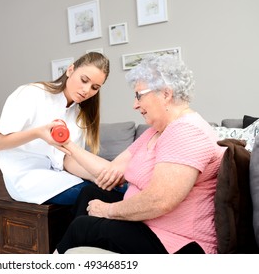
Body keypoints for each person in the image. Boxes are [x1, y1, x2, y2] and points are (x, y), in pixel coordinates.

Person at [54, 54, 226, 254]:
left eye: (139, 95)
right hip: (151, 225)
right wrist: (67, 145)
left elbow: (160, 201)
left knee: (81, 227)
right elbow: (112, 171)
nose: (135, 105)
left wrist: (107, 211)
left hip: (177, 241)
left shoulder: (186, 131)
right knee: (90, 193)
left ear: (166, 94)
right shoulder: (156, 130)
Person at [0, 52, 110, 205]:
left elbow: (68, 160)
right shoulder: (31, 94)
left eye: (94, 87)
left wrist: (98, 176)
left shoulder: (78, 114)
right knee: (94, 196)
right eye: (84, 80)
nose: (86, 90)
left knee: (116, 189)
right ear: (70, 70)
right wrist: (38, 133)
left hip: (60, 176)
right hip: (27, 179)